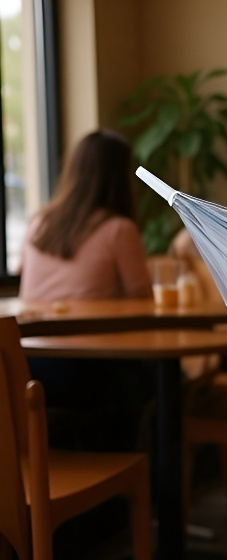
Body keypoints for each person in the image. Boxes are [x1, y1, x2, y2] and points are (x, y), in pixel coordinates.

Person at [19, 129, 153, 450]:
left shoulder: (38, 224)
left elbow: (28, 290)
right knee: (156, 383)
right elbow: (144, 301)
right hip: (85, 370)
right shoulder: (118, 229)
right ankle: (138, 488)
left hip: (29, 367)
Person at [20, 130, 151, 301]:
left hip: (28, 327)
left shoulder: (38, 223)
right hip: (88, 327)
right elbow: (142, 295)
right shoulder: (119, 229)